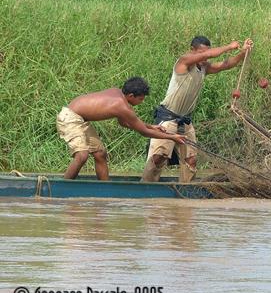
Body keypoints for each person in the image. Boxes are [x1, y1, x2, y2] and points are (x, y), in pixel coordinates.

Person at [142, 36, 253, 183]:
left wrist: (242, 52)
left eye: (206, 52)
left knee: (191, 160)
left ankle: (186, 193)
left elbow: (225, 64)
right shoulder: (184, 61)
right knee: (159, 158)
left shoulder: (204, 67)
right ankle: (147, 187)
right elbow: (207, 55)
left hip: (186, 121)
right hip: (167, 118)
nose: (203, 56)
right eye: (200, 52)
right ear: (192, 50)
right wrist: (229, 47)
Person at [57, 77, 185, 180]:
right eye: (140, 99)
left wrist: (151, 126)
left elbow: (124, 123)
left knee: (100, 154)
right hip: (71, 117)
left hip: (80, 119)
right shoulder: (122, 106)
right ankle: (65, 187)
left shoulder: (117, 93)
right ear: (130, 95)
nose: (142, 101)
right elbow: (144, 132)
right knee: (82, 155)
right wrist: (172, 137)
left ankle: (105, 188)